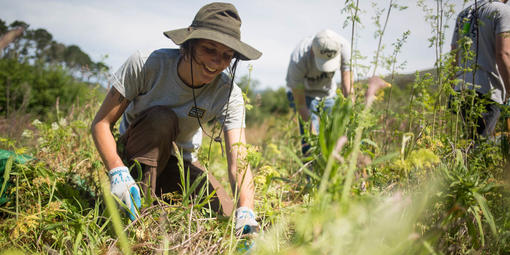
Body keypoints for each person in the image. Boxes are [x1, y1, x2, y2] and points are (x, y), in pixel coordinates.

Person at [90, 2, 261, 235]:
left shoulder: (229, 94)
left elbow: (238, 159)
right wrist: (117, 170)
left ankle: (162, 201)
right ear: (186, 46)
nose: (215, 62)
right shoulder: (147, 65)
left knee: (228, 216)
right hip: (135, 154)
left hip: (180, 162)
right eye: (209, 49)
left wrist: (246, 210)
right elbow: (101, 123)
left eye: (226, 56)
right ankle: (135, 222)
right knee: (162, 119)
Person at [450, 0, 510, 139]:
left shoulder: (464, 13)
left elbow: (455, 53)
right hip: (487, 90)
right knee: (480, 146)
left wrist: (453, 89)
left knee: (472, 141)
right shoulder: (502, 11)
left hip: (462, 89)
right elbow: (503, 54)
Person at [286, 29, 352, 154]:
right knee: (310, 141)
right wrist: (313, 133)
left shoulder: (343, 47)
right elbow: (300, 104)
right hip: (304, 94)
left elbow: (348, 88)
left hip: (328, 93)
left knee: (334, 137)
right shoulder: (298, 58)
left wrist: (350, 115)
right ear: (312, 51)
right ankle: (310, 170)